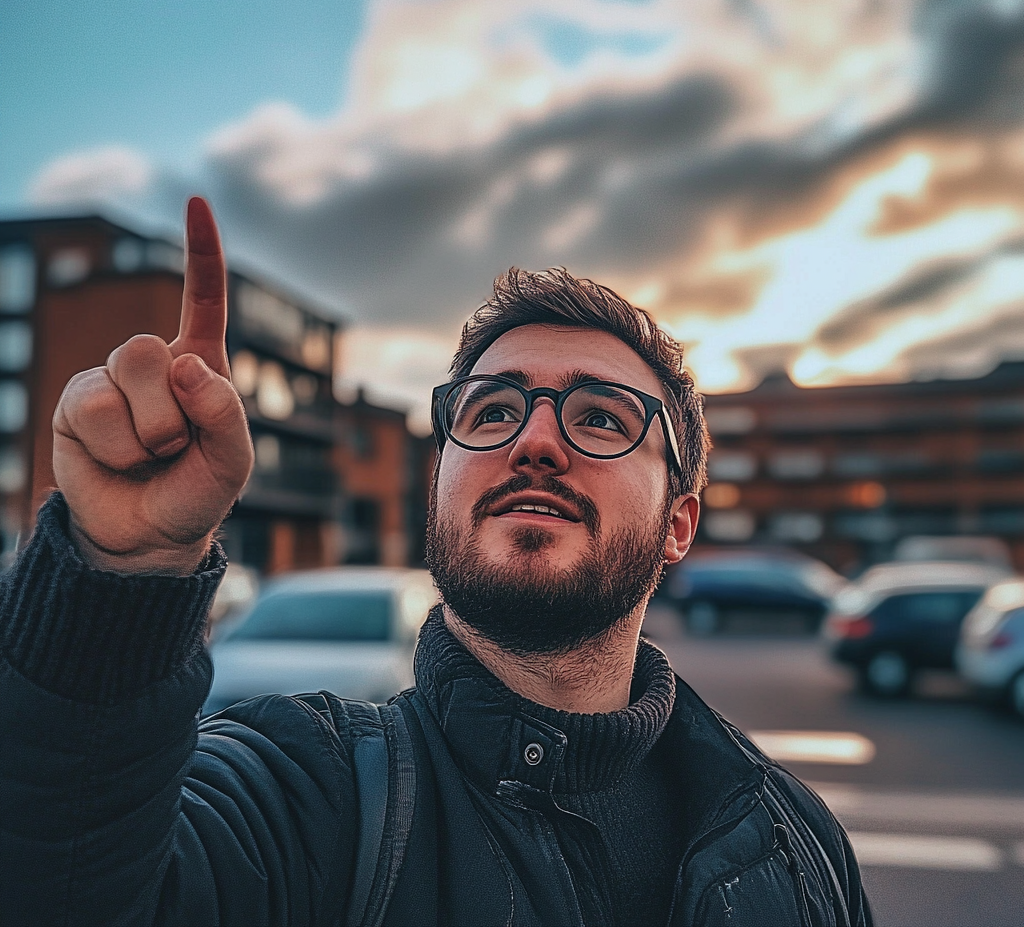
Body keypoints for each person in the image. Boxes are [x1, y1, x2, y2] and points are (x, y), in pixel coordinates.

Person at [0, 198, 871, 926]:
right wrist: (116, 573)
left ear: (679, 523)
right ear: (440, 483)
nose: (533, 440)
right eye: (492, 412)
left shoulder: (801, 848)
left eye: (602, 418)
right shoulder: (303, 795)